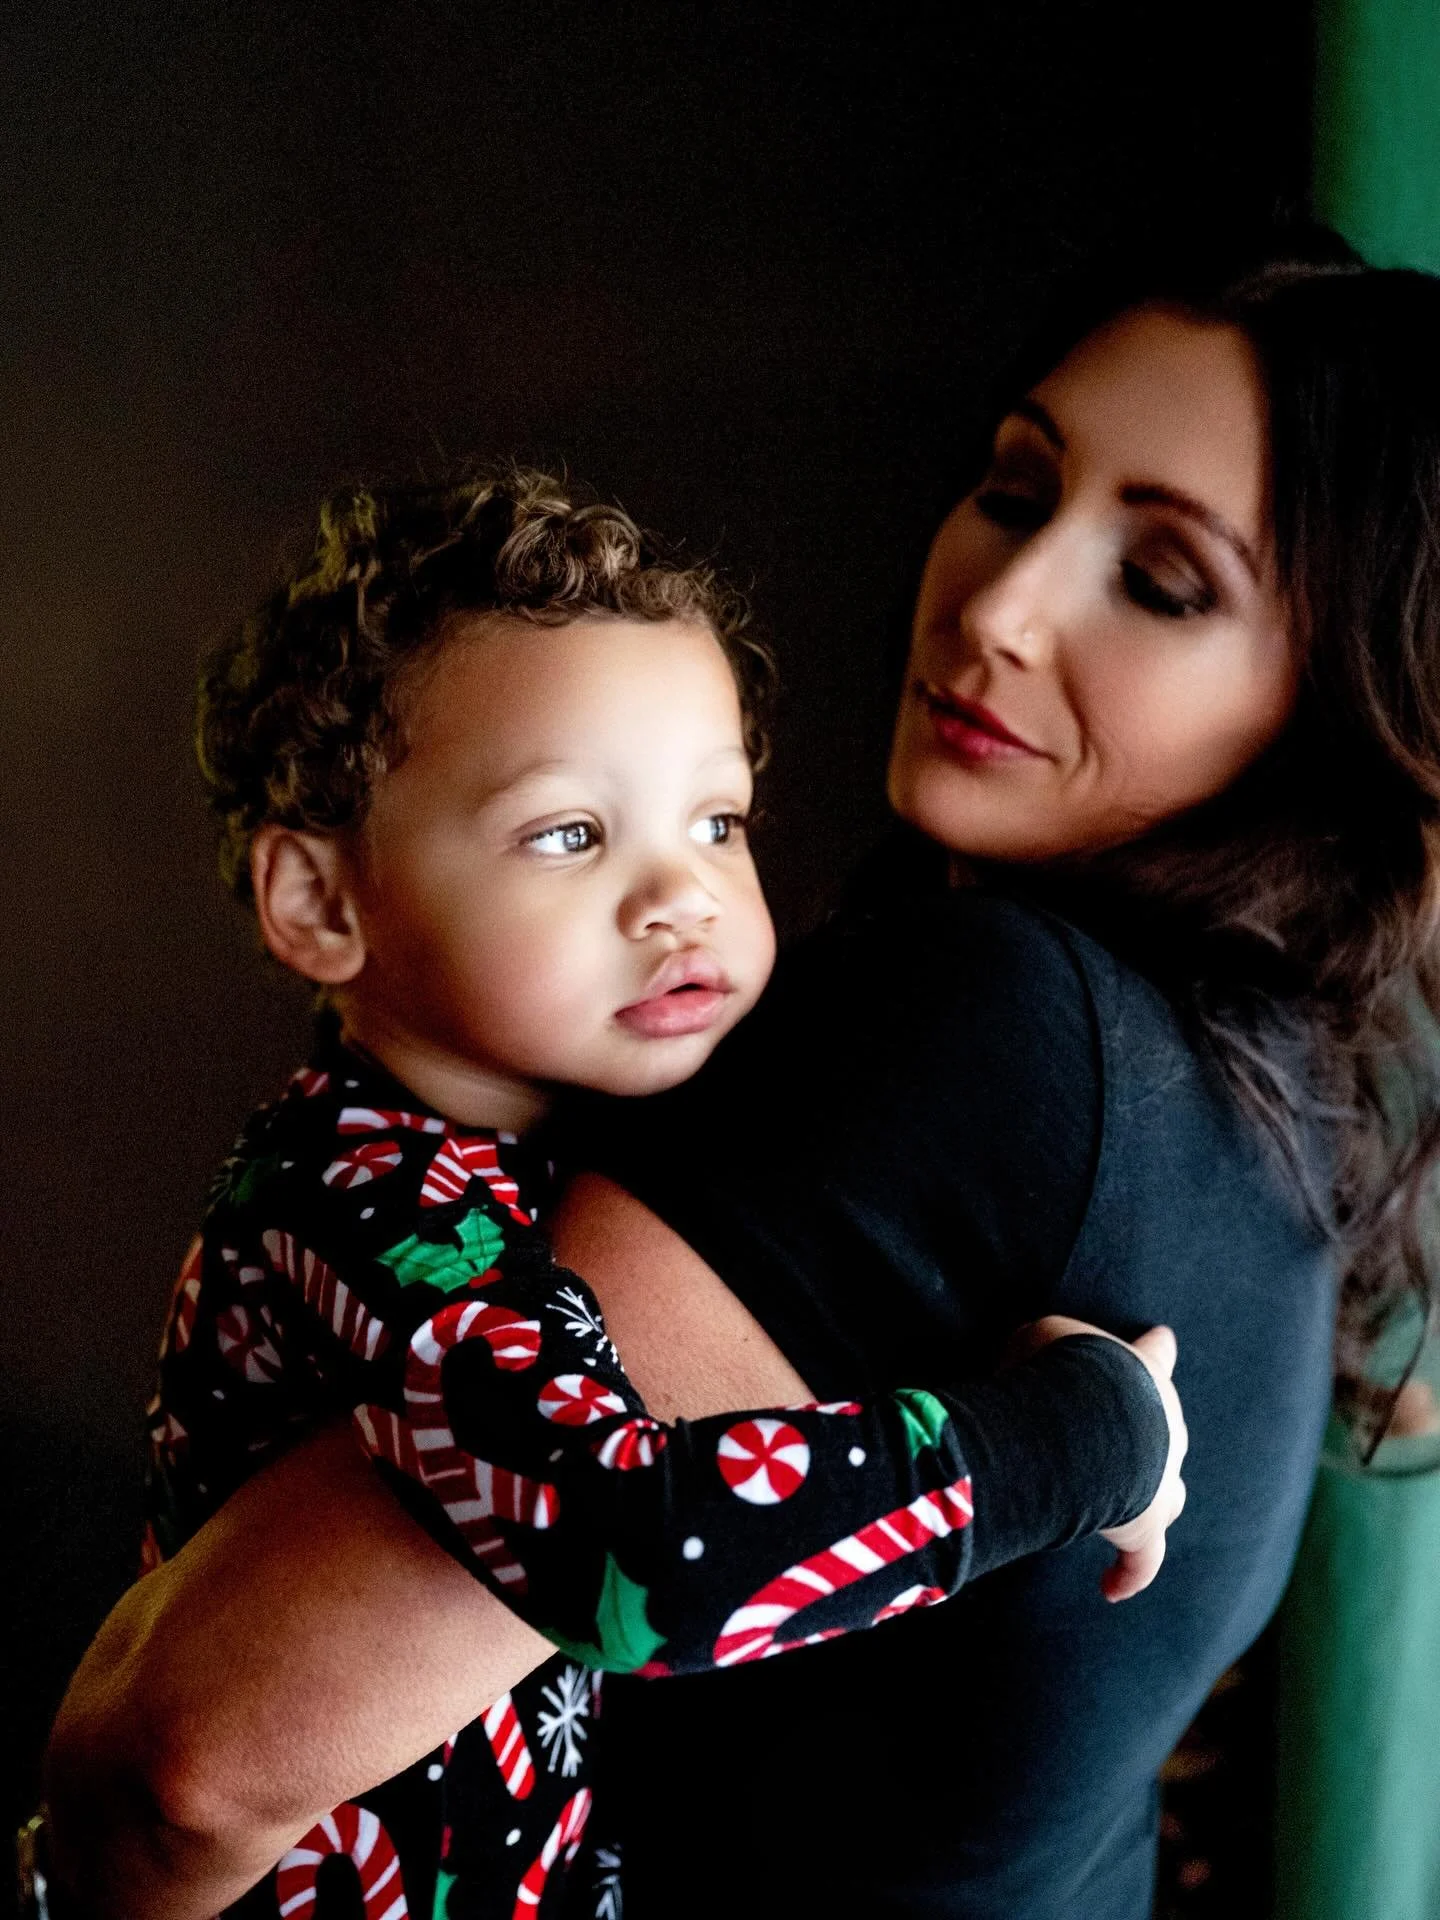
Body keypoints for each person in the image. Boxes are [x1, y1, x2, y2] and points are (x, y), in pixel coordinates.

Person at [46, 228, 1440, 1916]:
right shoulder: (1266, 1086)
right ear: (317, 902)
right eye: (1014, 487)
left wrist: (1064, 1441)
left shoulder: (991, 1019)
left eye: (1163, 581)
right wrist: (1061, 1445)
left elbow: (188, 1759)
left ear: (1337, 692)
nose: (997, 608)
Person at [36, 471, 1184, 1920]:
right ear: (322, 905)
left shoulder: (538, 1156)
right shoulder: (380, 1201)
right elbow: (643, 1560)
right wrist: (1075, 1440)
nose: (682, 898)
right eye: (570, 835)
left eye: (718, 822)